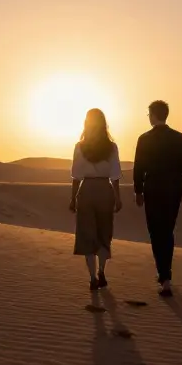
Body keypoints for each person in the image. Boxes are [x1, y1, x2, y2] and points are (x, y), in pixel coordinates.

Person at [133, 100, 182, 296]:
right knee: (167, 231)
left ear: (152, 115)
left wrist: (138, 191)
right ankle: (166, 276)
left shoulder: (144, 139)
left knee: (155, 232)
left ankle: (163, 274)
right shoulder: (178, 138)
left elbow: (138, 168)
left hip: (153, 190)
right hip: (173, 190)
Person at [69, 108, 123, 291]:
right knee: (103, 233)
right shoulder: (112, 147)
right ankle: (101, 272)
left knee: (87, 235)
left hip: (87, 190)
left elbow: (76, 175)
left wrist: (73, 198)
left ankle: (92, 277)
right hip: (104, 190)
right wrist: (117, 197)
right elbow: (115, 175)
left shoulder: (80, 146)